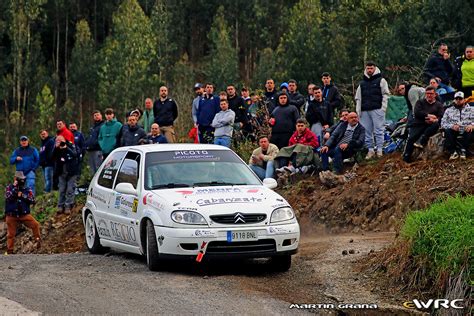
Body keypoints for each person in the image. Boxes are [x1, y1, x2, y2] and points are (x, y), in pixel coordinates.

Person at [355, 61, 390, 159]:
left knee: (379, 130)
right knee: (366, 131)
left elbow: (386, 94)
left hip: (377, 109)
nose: (369, 70)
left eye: (371, 68)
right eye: (368, 68)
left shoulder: (381, 80)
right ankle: (370, 150)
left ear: (375, 68)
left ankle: (379, 150)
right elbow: (358, 98)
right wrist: (358, 111)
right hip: (364, 110)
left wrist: (383, 108)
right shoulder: (362, 83)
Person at [403, 86, 444, 163]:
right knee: (412, 138)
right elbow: (417, 112)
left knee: (435, 125)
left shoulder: (438, 104)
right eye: (427, 93)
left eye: (431, 94)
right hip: (420, 123)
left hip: (432, 124)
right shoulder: (420, 102)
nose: (429, 95)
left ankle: (422, 140)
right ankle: (406, 156)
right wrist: (428, 116)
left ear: (435, 94)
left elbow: (441, 115)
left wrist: (435, 119)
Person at [4, 171, 41, 254]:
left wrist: (23, 196)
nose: (22, 181)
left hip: (24, 215)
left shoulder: (27, 189)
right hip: (11, 215)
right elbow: (8, 197)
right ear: (15, 179)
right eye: (20, 179)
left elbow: (32, 200)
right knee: (11, 234)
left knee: (35, 225)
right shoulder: (9, 188)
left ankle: (38, 242)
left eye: (23, 179)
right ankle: (10, 251)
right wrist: (14, 188)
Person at [441, 91, 474, 160]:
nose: (458, 100)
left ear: (464, 100)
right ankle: (453, 152)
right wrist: (452, 126)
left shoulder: (472, 109)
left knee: (469, 130)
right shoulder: (448, 110)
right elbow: (443, 123)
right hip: (454, 130)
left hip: (467, 130)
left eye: (460, 99)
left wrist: (472, 125)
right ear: (454, 100)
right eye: (456, 99)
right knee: (448, 131)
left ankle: (463, 151)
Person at [53, 135, 79, 214]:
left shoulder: (70, 145)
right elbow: (52, 157)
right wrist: (56, 148)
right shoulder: (56, 149)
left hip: (72, 172)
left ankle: (68, 206)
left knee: (70, 189)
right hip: (61, 173)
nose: (59, 142)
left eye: (61, 140)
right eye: (57, 140)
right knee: (62, 190)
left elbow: (75, 154)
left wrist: (66, 148)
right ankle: (60, 206)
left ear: (64, 140)